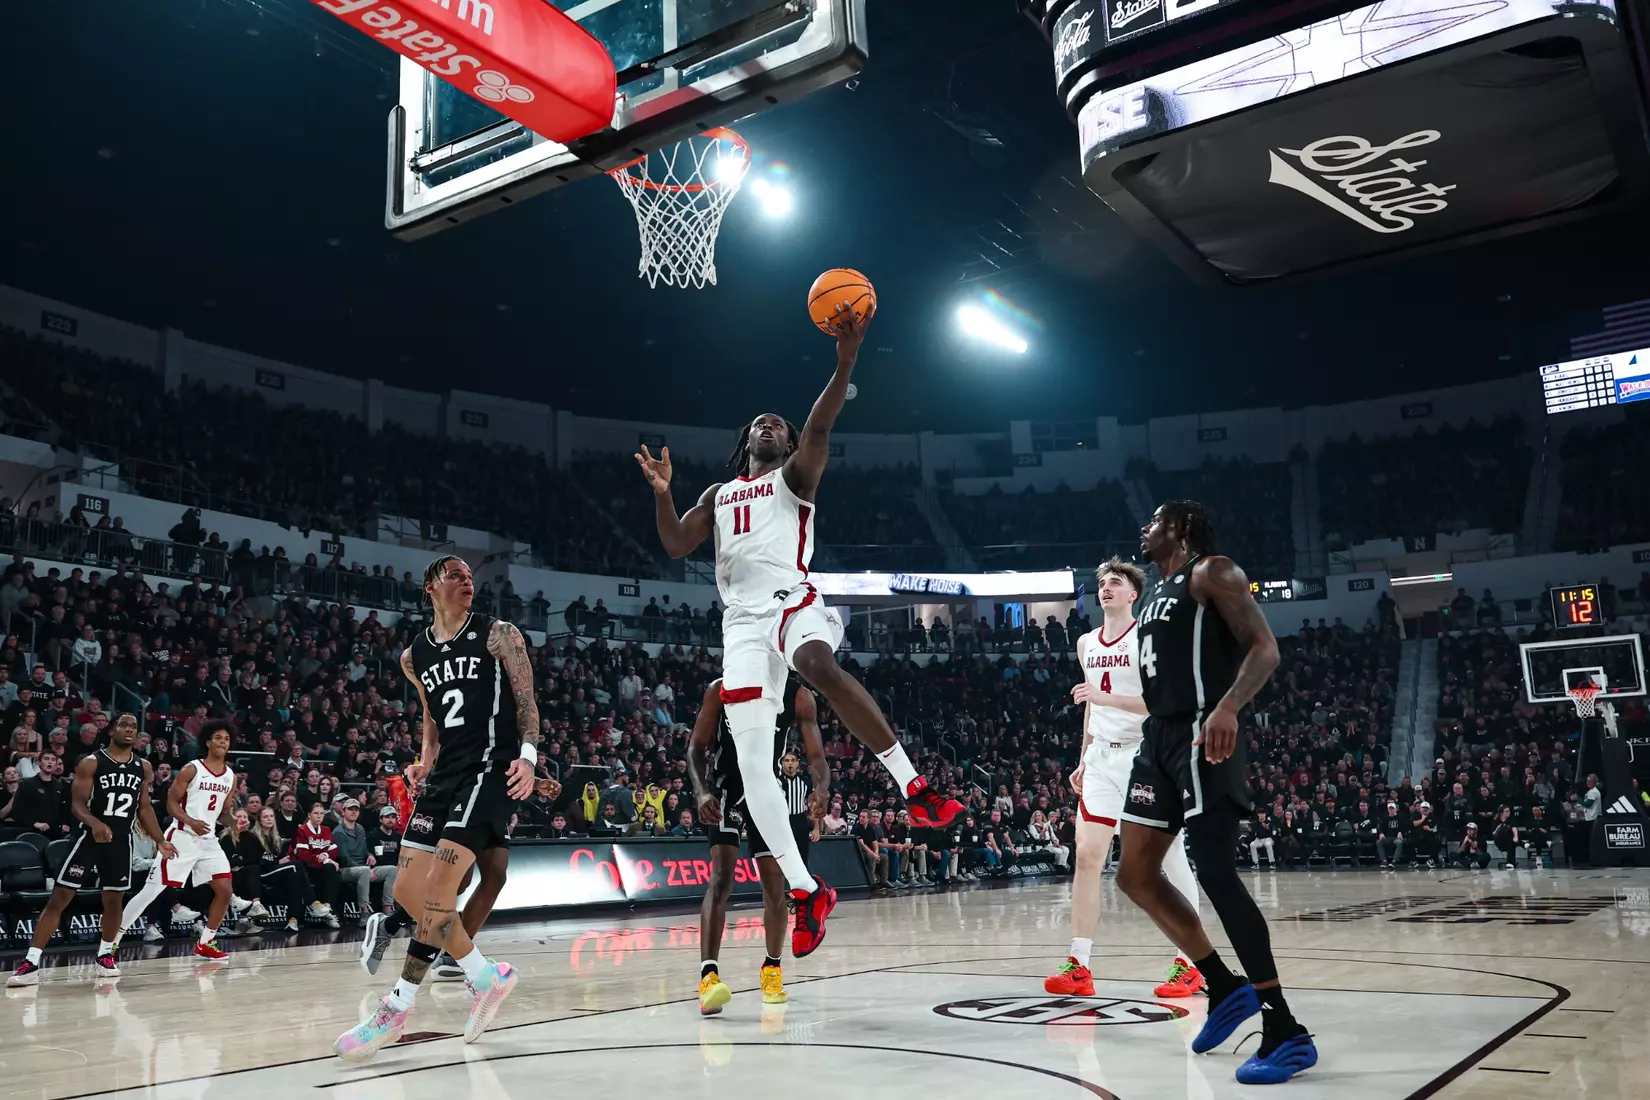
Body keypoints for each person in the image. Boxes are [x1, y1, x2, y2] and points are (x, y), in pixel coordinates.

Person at [635, 304, 962, 957]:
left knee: (817, 662)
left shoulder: (795, 479)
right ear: (744, 442)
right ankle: (810, 890)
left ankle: (915, 789)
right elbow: (673, 545)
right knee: (755, 774)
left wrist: (844, 363)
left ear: (786, 447)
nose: (770, 425)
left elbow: (820, 423)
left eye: (778, 425)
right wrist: (664, 492)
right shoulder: (719, 497)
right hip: (741, 623)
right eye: (760, 423)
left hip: (792, 597)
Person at [1116, 501, 1317, 1084]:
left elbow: (1265, 648)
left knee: (1215, 872)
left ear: (1179, 527)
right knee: (1133, 875)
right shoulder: (1154, 592)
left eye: (1154, 521)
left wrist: (1230, 704)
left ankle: (1285, 1029)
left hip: (1206, 731)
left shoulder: (1213, 572)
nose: (1144, 529)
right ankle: (1224, 987)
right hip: (1157, 740)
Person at [336, 555, 538, 1062]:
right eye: (456, 575)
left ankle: (395, 1009)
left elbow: (528, 704)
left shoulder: (499, 633)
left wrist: (530, 759)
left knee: (442, 890)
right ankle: (486, 975)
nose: (468, 581)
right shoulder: (414, 655)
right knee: (406, 890)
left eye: (471, 576)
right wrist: (425, 761)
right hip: (444, 778)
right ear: (431, 587)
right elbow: (431, 714)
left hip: (489, 770)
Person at [1047, 557, 1205, 1001]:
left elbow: (1163, 704)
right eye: (1102, 583)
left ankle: (1190, 964)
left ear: (1134, 593)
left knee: (1168, 861)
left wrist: (1105, 697)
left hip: (1145, 756)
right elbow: (1090, 712)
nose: (1106, 588)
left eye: (1115, 582)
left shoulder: (1146, 638)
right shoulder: (1085, 644)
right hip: (1100, 759)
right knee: (1086, 857)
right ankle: (1079, 963)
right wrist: (1082, 758)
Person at [689, 676, 829, 1014]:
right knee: (721, 878)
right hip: (725, 790)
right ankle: (709, 976)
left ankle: (772, 968)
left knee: (774, 887)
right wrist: (701, 791)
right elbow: (695, 747)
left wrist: (821, 788)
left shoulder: (798, 696)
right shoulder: (719, 689)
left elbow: (817, 757)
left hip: (767, 795)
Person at [8, 714, 172, 986]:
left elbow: (144, 807)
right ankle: (31, 962)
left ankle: (106, 954)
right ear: (111, 730)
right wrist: (95, 822)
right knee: (60, 897)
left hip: (120, 841)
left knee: (114, 900)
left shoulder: (143, 767)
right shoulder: (92, 762)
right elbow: (77, 805)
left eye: (134, 727)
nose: (129, 730)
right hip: (88, 839)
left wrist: (160, 839)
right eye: (124, 725)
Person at [116, 721, 238, 960]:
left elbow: (223, 812)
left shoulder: (230, 777)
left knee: (224, 890)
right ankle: (112, 940)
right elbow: (170, 803)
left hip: (208, 840)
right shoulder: (191, 769)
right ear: (207, 741)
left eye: (226, 738)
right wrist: (190, 820)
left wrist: (232, 820)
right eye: (218, 737)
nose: (223, 742)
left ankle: (206, 942)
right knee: (151, 891)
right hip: (181, 836)